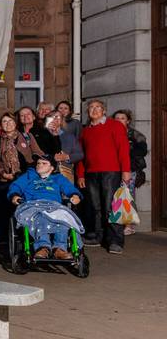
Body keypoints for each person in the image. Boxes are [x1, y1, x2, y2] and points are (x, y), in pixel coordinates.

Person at [77, 100, 131, 254]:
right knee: (94, 207)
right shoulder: (85, 131)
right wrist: (80, 174)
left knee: (111, 207)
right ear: (88, 112)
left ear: (104, 110)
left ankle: (115, 241)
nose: (94, 110)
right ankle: (96, 236)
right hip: (90, 173)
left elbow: (123, 149)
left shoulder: (115, 125)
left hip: (111, 172)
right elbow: (82, 155)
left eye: (98, 107)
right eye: (91, 107)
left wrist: (125, 171)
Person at [8, 154, 83, 260]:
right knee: (40, 217)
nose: (39, 165)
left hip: (54, 206)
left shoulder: (58, 178)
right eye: (38, 163)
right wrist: (14, 195)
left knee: (64, 218)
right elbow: (16, 186)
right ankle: (43, 247)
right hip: (33, 205)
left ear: (52, 168)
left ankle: (59, 249)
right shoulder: (29, 176)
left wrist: (75, 195)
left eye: (44, 163)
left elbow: (69, 188)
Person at [0, 112, 44, 248]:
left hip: (26, 178)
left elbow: (38, 152)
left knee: (28, 207)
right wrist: (2, 173)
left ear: (15, 123)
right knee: (4, 209)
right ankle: (5, 240)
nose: (8, 124)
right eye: (4, 122)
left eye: (10, 121)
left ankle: (32, 237)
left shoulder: (26, 137)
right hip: (7, 178)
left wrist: (38, 163)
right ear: (1, 125)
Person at [112, 109, 148, 236]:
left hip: (130, 169)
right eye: (116, 118)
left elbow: (142, 150)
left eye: (122, 118)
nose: (119, 120)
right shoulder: (110, 132)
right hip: (113, 168)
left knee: (127, 195)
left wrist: (126, 151)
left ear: (128, 121)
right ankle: (116, 222)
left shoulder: (135, 134)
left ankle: (129, 224)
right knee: (114, 196)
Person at [47, 110, 83, 184]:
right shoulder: (42, 135)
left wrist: (67, 157)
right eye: (52, 117)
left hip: (65, 173)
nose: (55, 119)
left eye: (58, 117)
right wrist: (52, 157)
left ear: (62, 120)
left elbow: (80, 154)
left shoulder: (69, 137)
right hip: (46, 173)